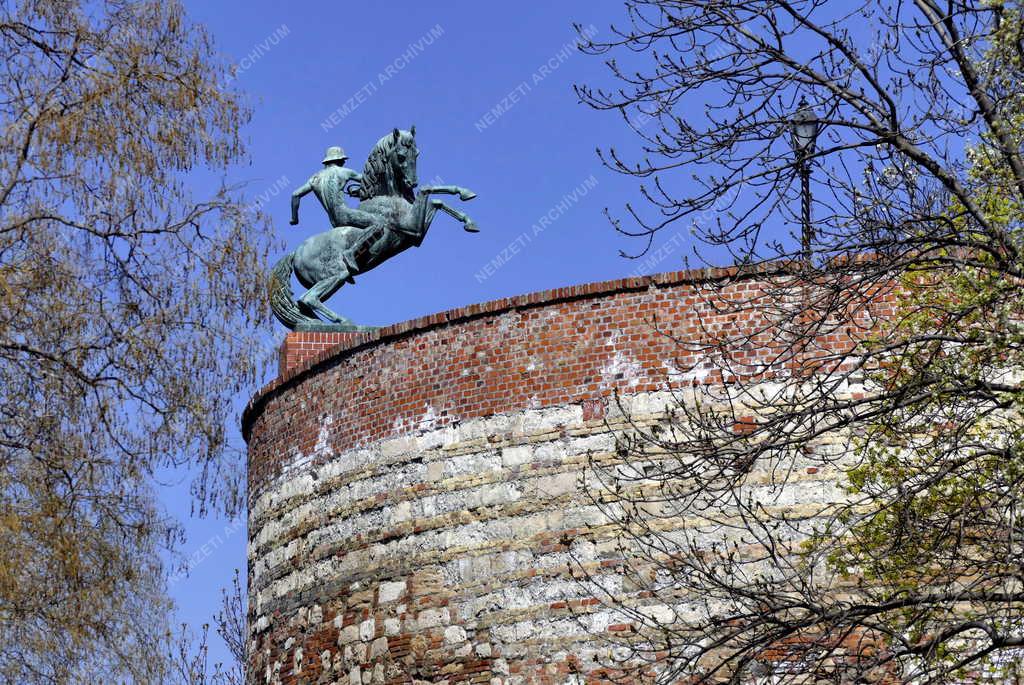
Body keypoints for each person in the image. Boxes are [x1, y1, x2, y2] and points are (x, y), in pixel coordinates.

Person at [290, 146, 375, 229]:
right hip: (345, 215)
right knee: (379, 223)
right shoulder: (344, 172)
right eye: (343, 160)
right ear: (339, 160)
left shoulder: (314, 178)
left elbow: (295, 195)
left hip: (334, 222)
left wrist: (295, 219)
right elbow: (369, 179)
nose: (344, 163)